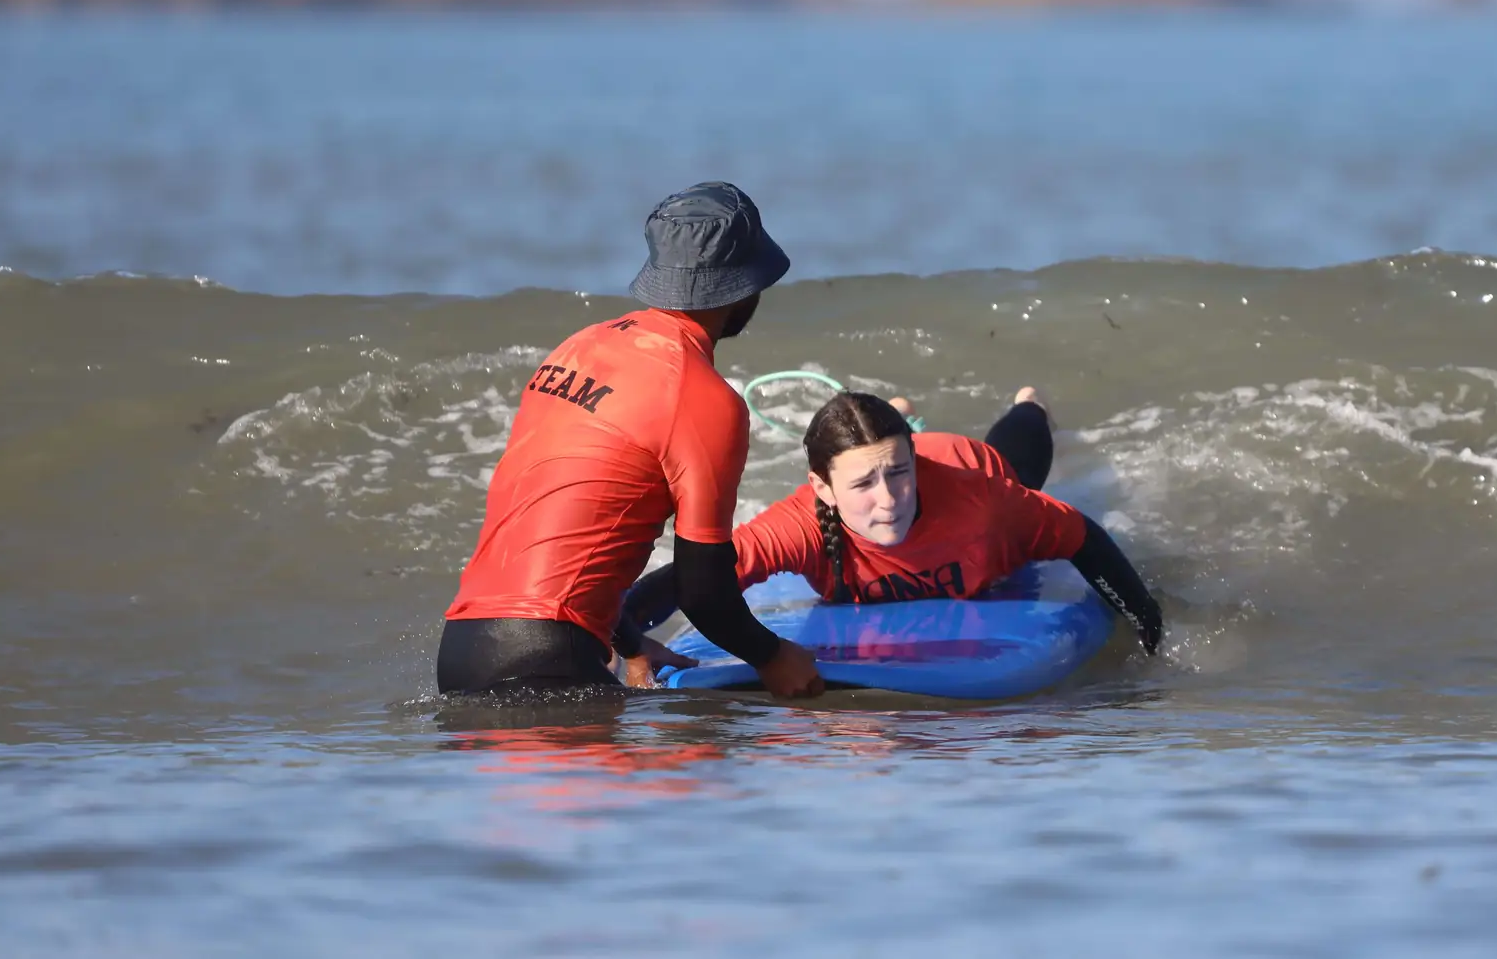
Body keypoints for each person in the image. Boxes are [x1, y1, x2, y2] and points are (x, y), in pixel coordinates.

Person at [437, 181, 825, 699]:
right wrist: (774, 656)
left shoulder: (578, 348)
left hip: (466, 648)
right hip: (549, 660)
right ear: (744, 284)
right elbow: (703, 588)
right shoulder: (700, 395)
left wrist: (631, 642)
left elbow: (567, 517)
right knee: (718, 774)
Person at [613, 388, 1164, 683]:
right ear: (822, 489)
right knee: (871, 453)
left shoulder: (984, 502)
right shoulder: (800, 523)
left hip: (969, 463)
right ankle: (891, 418)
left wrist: (1146, 625)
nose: (889, 500)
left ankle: (1029, 403)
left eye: (901, 476)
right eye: (864, 485)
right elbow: (693, 580)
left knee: (1019, 454)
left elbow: (1081, 537)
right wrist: (626, 645)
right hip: (888, 454)